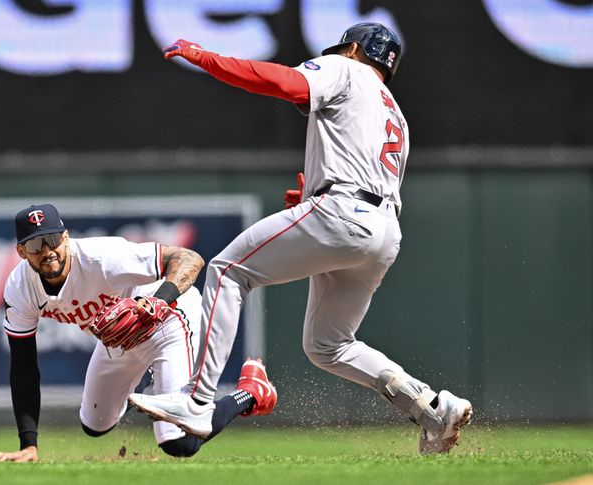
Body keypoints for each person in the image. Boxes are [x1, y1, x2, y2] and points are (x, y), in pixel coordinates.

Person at [128, 23, 472, 454]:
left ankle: (196, 400)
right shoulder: (394, 112)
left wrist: (205, 58)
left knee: (227, 271)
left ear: (351, 49)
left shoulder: (344, 69)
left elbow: (281, 81)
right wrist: (314, 194)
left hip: (343, 213)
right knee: (328, 345)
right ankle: (433, 409)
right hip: (383, 231)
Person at [0, 203, 278, 462]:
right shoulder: (20, 288)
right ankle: (147, 377)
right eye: (35, 244)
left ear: (65, 237)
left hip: (167, 321)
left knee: (179, 442)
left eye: (52, 239)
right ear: (21, 251)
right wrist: (29, 444)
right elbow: (23, 366)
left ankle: (251, 392)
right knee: (95, 424)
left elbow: (189, 258)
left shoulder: (101, 258)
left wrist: (158, 301)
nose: (47, 251)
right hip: (119, 338)